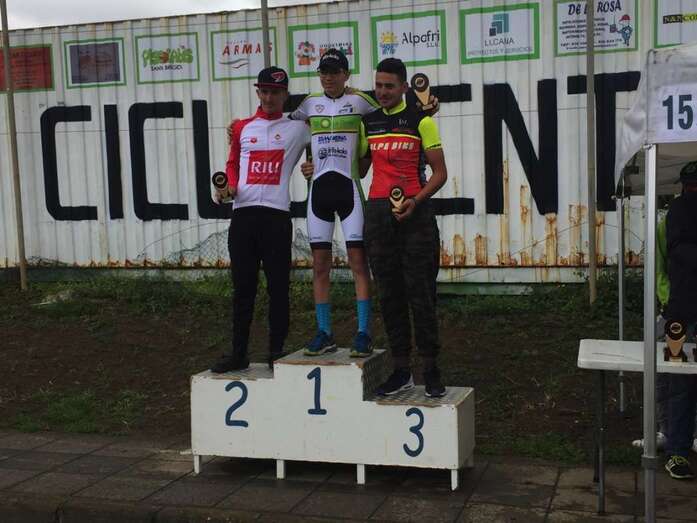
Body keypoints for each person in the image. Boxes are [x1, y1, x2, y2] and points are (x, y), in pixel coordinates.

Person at [210, 66, 311, 373]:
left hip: (277, 218)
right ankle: (238, 353)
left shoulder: (299, 127)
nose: (269, 98)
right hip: (243, 216)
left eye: (275, 93)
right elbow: (232, 164)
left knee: (278, 287)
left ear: (285, 95)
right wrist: (227, 186)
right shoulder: (242, 128)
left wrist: (313, 164)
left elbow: (331, 125)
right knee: (243, 288)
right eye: (264, 91)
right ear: (257, 92)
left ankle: (276, 352)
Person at [358, 58, 447, 398]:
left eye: (389, 86)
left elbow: (440, 174)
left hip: (415, 213)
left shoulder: (422, 121)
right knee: (389, 294)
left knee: (421, 294)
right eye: (378, 85)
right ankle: (401, 370)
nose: (382, 92)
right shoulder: (369, 122)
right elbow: (361, 169)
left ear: (404, 88)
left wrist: (416, 200)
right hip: (378, 213)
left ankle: (431, 369)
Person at [289, 49, 378, 357]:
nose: (328, 77)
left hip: (349, 190)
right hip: (319, 193)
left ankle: (364, 332)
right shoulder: (309, 104)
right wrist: (237, 128)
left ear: (346, 74)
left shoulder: (360, 101)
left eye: (334, 72)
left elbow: (389, 117)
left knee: (358, 263)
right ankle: (324, 332)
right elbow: (283, 128)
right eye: (323, 72)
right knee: (320, 266)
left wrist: (426, 111)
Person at [663, 160, 697, 479]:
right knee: (678, 380)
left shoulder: (678, 207)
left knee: (679, 383)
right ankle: (676, 449)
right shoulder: (678, 210)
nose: (690, 191)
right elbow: (678, 250)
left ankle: (679, 446)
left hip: (678, 311)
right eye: (690, 186)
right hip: (680, 312)